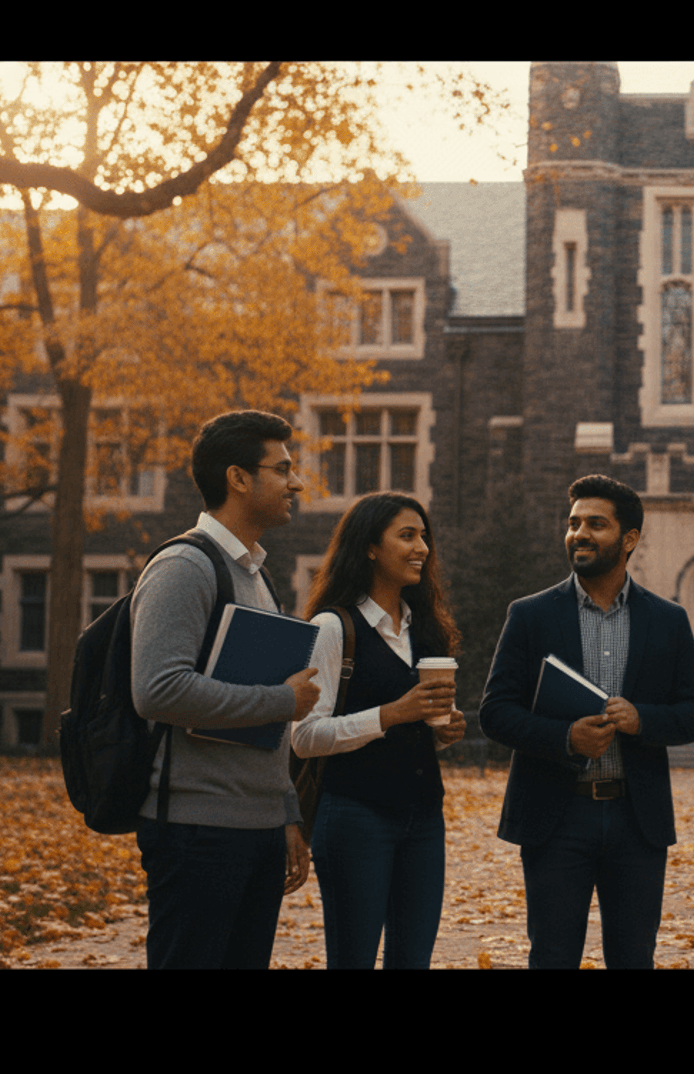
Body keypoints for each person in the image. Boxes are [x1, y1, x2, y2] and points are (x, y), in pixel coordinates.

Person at [477, 474, 694, 968]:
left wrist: (641, 719)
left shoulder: (667, 620)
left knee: (633, 957)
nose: (579, 533)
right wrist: (566, 737)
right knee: (552, 956)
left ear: (629, 539)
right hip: (556, 818)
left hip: (636, 820)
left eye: (595, 524)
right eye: (573, 523)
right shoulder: (530, 615)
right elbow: (496, 713)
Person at [129, 409, 319, 969]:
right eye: (282, 469)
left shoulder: (255, 574)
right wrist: (283, 701)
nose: (297, 482)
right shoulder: (185, 566)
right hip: (197, 831)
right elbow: (158, 690)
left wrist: (285, 813)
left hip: (256, 828)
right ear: (238, 478)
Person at [292, 492, 466, 969]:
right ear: (369, 547)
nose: (422, 548)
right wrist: (391, 714)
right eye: (407, 536)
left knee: (413, 962)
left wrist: (442, 728)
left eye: (424, 537)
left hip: (425, 818)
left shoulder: (425, 629)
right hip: (354, 817)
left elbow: (416, 723)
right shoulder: (333, 628)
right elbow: (303, 736)